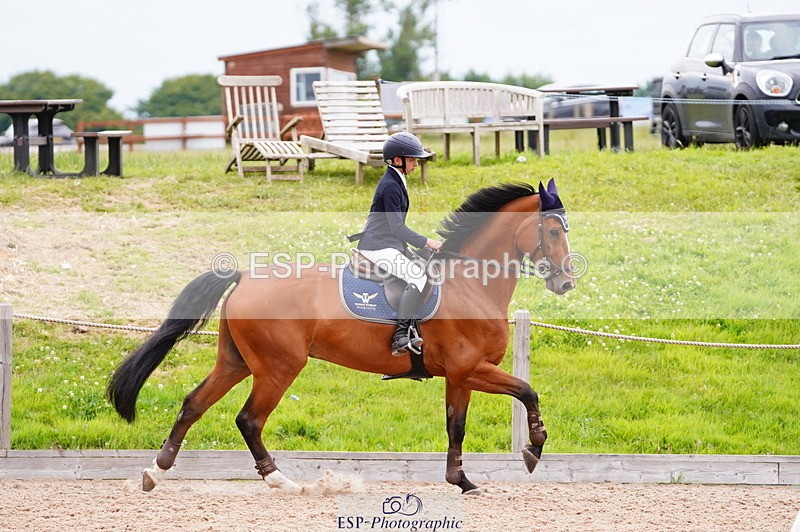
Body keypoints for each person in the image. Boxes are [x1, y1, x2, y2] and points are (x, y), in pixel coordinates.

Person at [357, 132, 442, 356]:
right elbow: (397, 228)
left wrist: (418, 249)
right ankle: (401, 336)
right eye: (412, 159)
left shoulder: (396, 180)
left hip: (389, 242)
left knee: (423, 265)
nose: (416, 163)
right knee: (417, 276)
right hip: (378, 245)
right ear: (397, 160)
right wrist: (427, 242)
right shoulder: (391, 185)